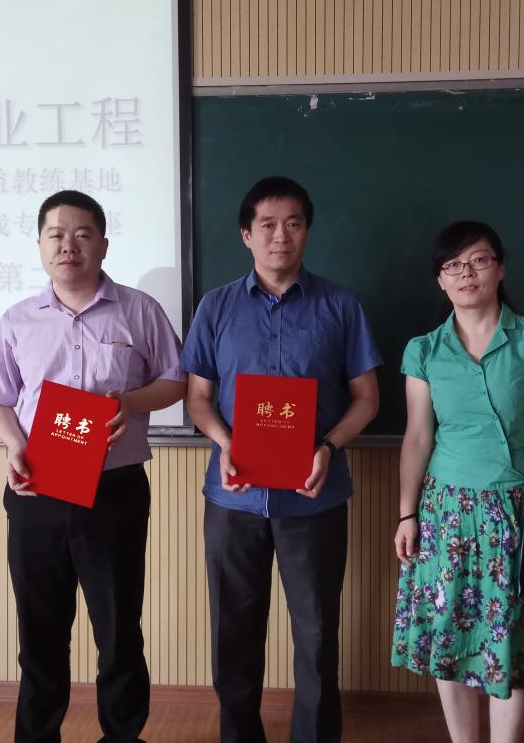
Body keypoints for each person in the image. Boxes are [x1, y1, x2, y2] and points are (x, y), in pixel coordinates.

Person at [0, 190, 187, 743]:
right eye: (56, 235)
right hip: (37, 488)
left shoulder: (139, 310)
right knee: (40, 630)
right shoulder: (18, 319)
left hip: (113, 491)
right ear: (40, 245)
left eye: (82, 234)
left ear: (103, 245)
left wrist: (129, 404)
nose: (68, 245)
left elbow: (175, 380)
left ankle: (122, 735)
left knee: (118, 628)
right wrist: (12, 443)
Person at [182, 176, 381, 743]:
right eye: (267, 224)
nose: (280, 236)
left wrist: (328, 447)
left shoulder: (341, 305)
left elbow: (367, 399)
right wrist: (226, 443)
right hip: (233, 498)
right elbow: (198, 398)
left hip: (314, 496)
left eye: (293, 223)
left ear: (307, 231)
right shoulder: (216, 306)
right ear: (246, 234)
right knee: (234, 632)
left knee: (316, 637)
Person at [391, 221, 524, 742]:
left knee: (514, 635)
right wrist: (407, 513)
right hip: (445, 511)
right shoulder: (424, 350)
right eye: (453, 265)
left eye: (478, 260)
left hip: (519, 509)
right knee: (448, 633)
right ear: (440, 279)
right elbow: (417, 437)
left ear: (500, 267)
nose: (466, 273)